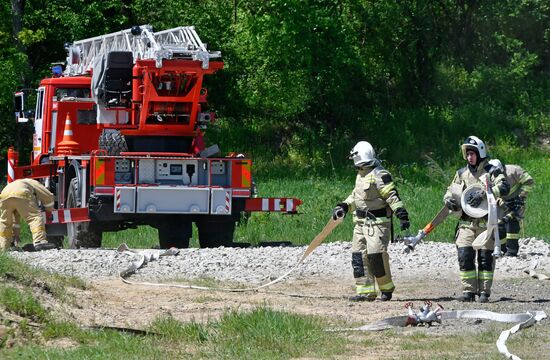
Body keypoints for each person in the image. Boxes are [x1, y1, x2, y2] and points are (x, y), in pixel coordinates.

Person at [333, 141, 410, 302]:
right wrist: (344, 206)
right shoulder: (361, 174)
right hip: (360, 223)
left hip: (378, 224)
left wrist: (401, 214)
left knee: (376, 256)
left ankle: (386, 289)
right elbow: (356, 196)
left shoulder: (380, 174)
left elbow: (392, 196)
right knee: (358, 257)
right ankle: (365, 291)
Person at [443, 136, 509, 303]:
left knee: (486, 259)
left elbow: (504, 186)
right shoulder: (461, 173)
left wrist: (486, 193)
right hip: (466, 224)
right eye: (467, 154)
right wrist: (448, 199)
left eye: (472, 153)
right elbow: (451, 191)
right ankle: (468, 291)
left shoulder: (492, 171)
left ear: (480, 153)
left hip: (487, 224)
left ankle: (484, 293)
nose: (469, 157)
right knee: (464, 256)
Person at [488, 159, 534, 257]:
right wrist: (498, 200)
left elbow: (529, 181)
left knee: (511, 225)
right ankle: (502, 249)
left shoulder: (514, 170)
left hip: (516, 203)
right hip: (501, 204)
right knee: (499, 226)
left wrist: (521, 197)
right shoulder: (489, 176)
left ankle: (512, 251)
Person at [0, 179, 57, 251]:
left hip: (4, 197)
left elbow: (15, 223)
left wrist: (16, 235)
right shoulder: (32, 182)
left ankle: (4, 247)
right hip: (21, 194)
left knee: (5, 222)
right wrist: (49, 208)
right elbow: (46, 195)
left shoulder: (14, 183)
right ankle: (39, 241)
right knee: (35, 217)